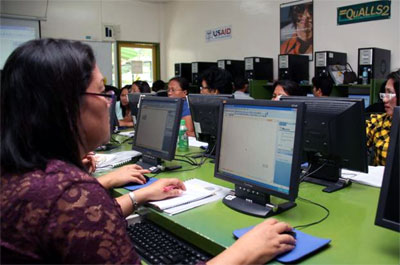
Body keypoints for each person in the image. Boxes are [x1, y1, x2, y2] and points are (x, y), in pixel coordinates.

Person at [1, 39, 295, 264]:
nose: (110, 102)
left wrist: (137, 196)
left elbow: (75, 230)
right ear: (65, 106)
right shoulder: (68, 195)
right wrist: (242, 254)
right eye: (103, 92)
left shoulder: (21, 173)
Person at [366, 69, 400, 166]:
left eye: (389, 93)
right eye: (384, 93)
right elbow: (353, 142)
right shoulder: (378, 121)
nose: (384, 99)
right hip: (380, 180)